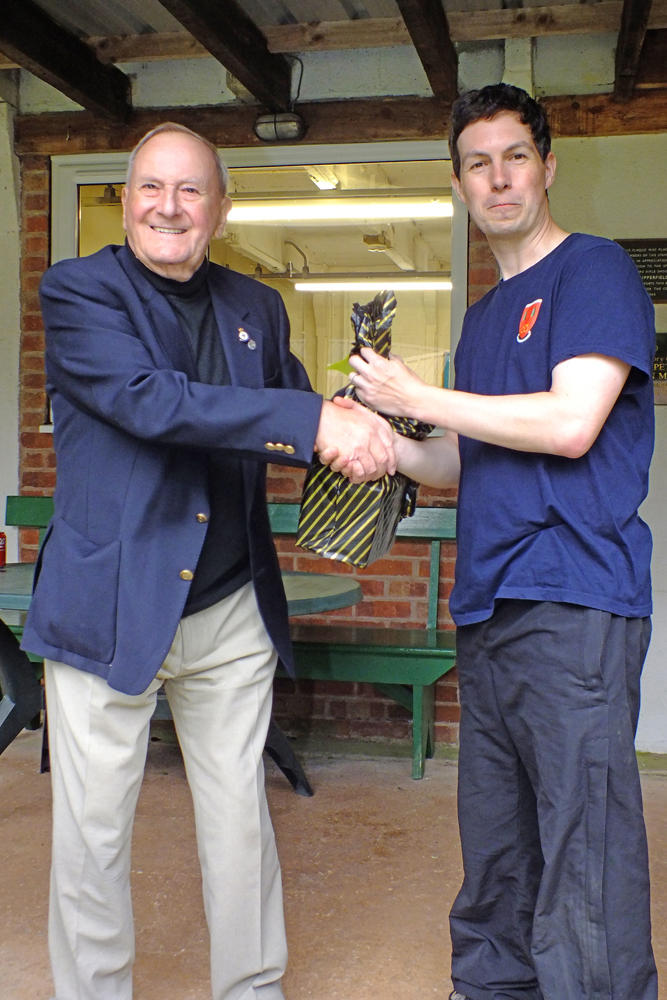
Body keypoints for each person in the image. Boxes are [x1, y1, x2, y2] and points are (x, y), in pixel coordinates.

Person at [22, 121, 395, 1000]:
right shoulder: (78, 293)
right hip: (110, 602)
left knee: (238, 825)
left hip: (228, 605)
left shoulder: (255, 307)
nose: (169, 206)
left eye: (191, 190)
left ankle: (251, 990)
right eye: (151, 187)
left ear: (220, 209)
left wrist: (374, 420)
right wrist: (313, 423)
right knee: (94, 835)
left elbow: (289, 411)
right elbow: (153, 404)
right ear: (126, 199)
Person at [342, 84, 657, 1000]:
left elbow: (569, 422)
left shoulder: (593, 271)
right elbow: (459, 460)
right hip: (485, 608)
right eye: (477, 163)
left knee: (582, 852)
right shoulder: (483, 319)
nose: (498, 177)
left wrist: (419, 398)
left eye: (514, 156)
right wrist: (384, 441)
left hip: (573, 602)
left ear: (547, 166)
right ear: (459, 184)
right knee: (499, 851)